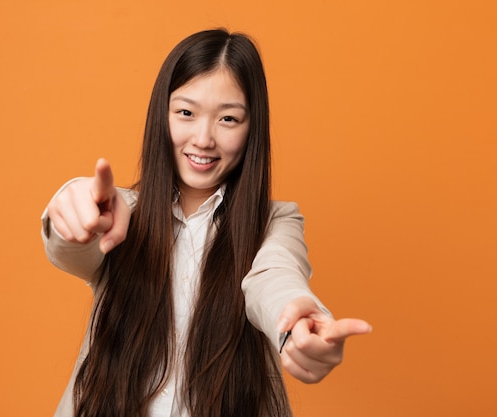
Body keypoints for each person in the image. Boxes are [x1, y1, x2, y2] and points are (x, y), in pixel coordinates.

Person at [41, 29, 371, 417]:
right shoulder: (121, 212)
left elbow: (276, 276)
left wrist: (298, 319)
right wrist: (72, 207)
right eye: (186, 112)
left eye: (228, 119)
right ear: (161, 115)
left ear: (252, 130)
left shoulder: (275, 221)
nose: (203, 138)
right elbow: (71, 247)